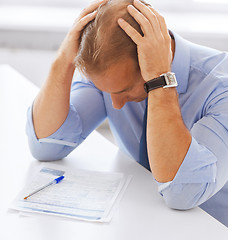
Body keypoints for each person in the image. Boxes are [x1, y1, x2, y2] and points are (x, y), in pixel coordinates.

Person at [26, 0, 228, 227]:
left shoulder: (220, 87)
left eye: (124, 90)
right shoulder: (111, 75)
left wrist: (161, 80)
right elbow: (47, 144)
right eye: (108, 92)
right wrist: (64, 60)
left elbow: (184, 193)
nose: (116, 104)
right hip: (143, 220)